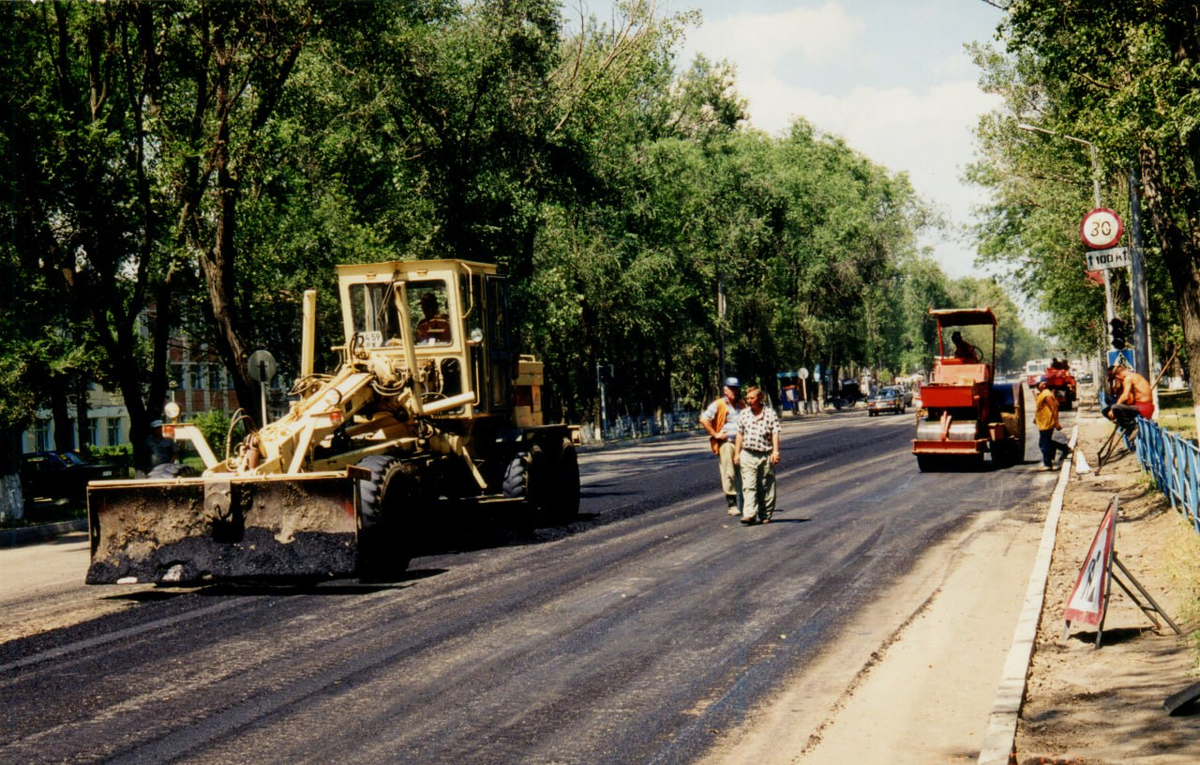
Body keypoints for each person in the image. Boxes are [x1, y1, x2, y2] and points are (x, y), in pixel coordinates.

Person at [733, 384, 781, 525]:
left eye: (752, 398)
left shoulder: (770, 414)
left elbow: (775, 432)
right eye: (747, 398)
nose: (749, 401)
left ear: (760, 398)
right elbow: (740, 434)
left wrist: (775, 451)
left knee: (765, 485)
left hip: (765, 454)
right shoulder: (744, 414)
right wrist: (737, 453)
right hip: (748, 454)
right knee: (749, 485)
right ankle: (749, 514)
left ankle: (765, 514)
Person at [700, 377, 746, 516]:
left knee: (745, 472)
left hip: (742, 442)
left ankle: (747, 503)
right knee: (729, 473)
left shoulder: (741, 404)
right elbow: (704, 419)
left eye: (736, 388)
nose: (734, 391)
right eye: (731, 389)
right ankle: (732, 504)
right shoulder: (719, 404)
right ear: (725, 390)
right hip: (727, 443)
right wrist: (715, 434)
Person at [1035, 379, 1071, 470]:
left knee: (1043, 443)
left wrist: (1056, 422)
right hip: (1043, 422)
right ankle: (1065, 448)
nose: (1039, 386)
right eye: (1037, 384)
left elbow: (1054, 407)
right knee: (1046, 442)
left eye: (1040, 383)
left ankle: (1048, 464)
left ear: (1044, 384)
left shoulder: (1046, 394)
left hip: (1047, 422)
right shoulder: (1043, 394)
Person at [1105, 365, 1154, 432]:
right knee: (1110, 409)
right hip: (1144, 406)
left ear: (1118, 376)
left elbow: (1125, 396)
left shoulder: (1128, 378)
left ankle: (1132, 427)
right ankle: (1125, 424)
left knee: (1116, 408)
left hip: (1144, 408)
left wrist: (1112, 410)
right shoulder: (1134, 376)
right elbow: (1129, 399)